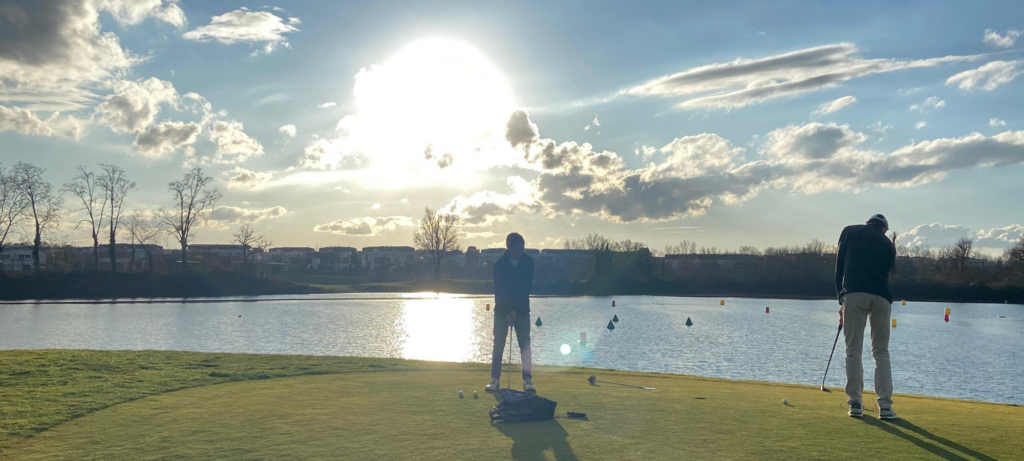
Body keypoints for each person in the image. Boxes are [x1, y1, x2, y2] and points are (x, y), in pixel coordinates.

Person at [835, 214, 897, 420]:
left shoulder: (850, 231)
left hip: (854, 293)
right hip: (882, 297)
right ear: (884, 229)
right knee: (881, 352)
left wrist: (841, 298)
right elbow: (887, 272)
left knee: (853, 349)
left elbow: (839, 266)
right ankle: (885, 406)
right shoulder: (888, 244)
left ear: (868, 223)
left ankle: (855, 403)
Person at [485, 232, 536, 393]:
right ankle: (495, 379)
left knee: (525, 345)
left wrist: (514, 311)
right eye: (517, 250)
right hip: (501, 311)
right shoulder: (499, 265)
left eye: (522, 249)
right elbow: (500, 290)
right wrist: (507, 313)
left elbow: (525, 289)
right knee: (498, 345)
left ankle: (527, 380)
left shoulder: (528, 262)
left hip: (522, 310)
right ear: (509, 248)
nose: (520, 253)